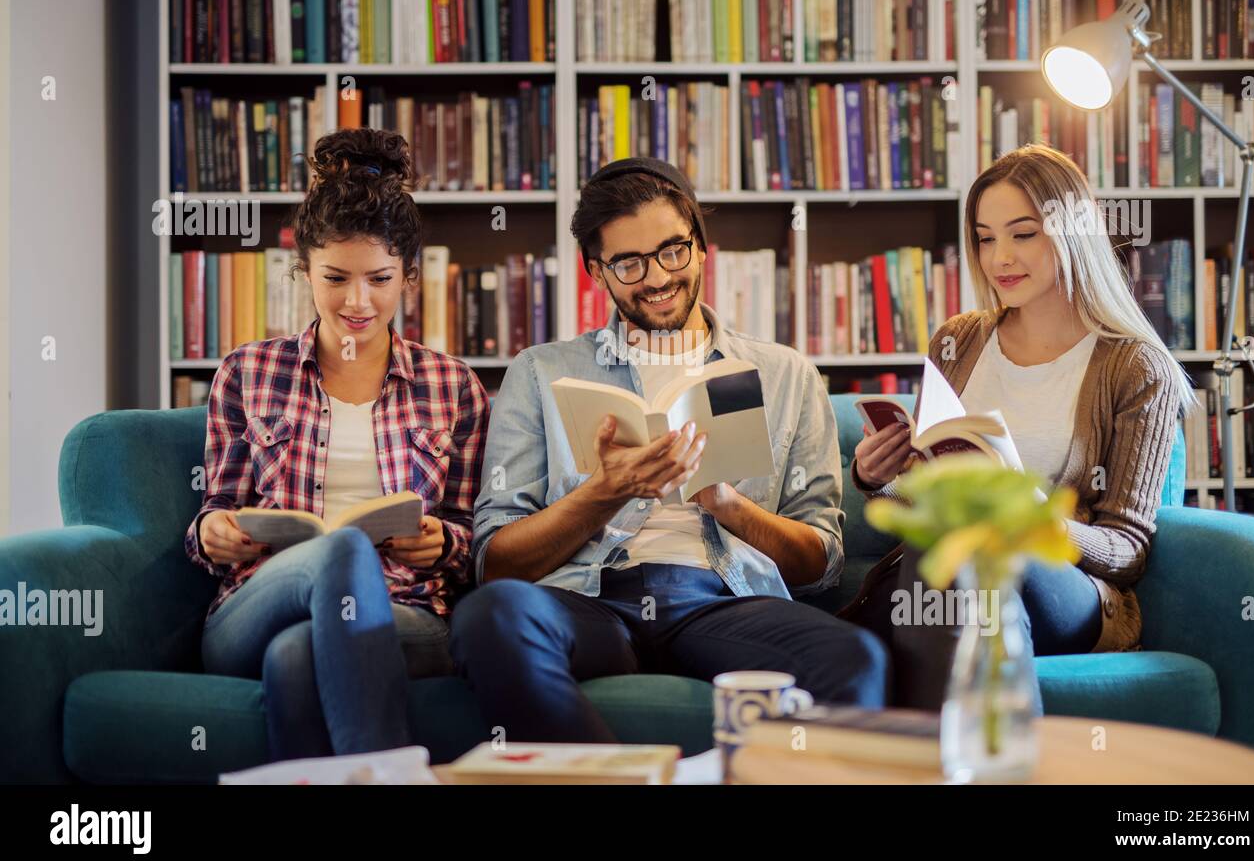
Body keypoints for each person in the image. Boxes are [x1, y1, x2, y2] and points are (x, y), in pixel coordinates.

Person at [452, 156, 887, 742]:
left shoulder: (785, 375)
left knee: (856, 657)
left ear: (700, 247)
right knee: (489, 618)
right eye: (628, 262)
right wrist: (605, 495)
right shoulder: (539, 372)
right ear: (596, 271)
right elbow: (495, 564)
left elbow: (820, 567)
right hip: (588, 601)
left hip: (722, 602)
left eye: (672, 250)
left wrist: (730, 505)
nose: (657, 276)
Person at [845, 143, 1197, 711]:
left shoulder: (1134, 368)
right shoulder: (958, 342)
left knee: (972, 552)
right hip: (943, 579)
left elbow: (1127, 551)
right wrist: (882, 477)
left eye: (1022, 233)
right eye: (985, 237)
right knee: (954, 549)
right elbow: (918, 506)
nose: (999, 256)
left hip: (1063, 587)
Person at [183, 128, 490, 760]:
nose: (357, 301)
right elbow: (216, 508)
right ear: (303, 272)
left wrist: (444, 544)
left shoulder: (453, 385)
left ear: (408, 276)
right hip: (257, 600)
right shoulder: (248, 372)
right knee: (341, 552)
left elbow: (472, 535)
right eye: (335, 278)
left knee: (297, 657)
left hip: (405, 607)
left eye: (379, 279)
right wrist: (213, 530)